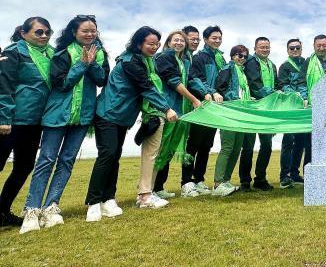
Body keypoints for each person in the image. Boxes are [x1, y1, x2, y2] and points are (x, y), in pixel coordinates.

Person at [20, 16, 110, 233]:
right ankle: (32, 210)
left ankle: (51, 207)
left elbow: (102, 80)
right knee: (46, 160)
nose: (90, 34)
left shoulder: (100, 54)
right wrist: (82, 64)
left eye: (93, 31)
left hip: (83, 116)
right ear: (74, 32)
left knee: (67, 160)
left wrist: (91, 64)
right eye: (85, 31)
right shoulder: (62, 54)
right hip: (57, 115)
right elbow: (61, 84)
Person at [84, 26, 177, 222]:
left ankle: (108, 199)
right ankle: (93, 202)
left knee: (114, 156)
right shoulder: (130, 62)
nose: (155, 47)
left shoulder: (145, 61)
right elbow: (146, 87)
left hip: (122, 117)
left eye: (157, 44)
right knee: (107, 155)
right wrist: (166, 108)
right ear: (139, 43)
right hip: (108, 114)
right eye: (151, 44)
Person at [0, 17, 54, 227]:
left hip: (34, 121)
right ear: (24, 33)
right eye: (39, 32)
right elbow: (4, 85)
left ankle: (3, 211)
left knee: (24, 167)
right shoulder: (14, 52)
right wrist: (4, 118)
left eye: (47, 32)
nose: (44, 36)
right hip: (11, 120)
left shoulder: (50, 54)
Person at [152, 31, 202, 200]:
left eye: (182, 41)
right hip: (166, 107)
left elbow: (191, 80)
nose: (179, 43)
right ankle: (150, 188)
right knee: (161, 147)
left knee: (170, 148)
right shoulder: (164, 57)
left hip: (180, 109)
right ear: (168, 42)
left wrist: (206, 93)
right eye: (176, 40)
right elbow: (174, 81)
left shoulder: (184, 61)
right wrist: (194, 99)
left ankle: (158, 187)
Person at [183, 25, 224, 197]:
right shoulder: (199, 58)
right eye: (214, 38)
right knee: (193, 144)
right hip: (201, 105)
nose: (217, 40)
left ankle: (199, 179)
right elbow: (195, 79)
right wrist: (209, 92)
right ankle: (186, 182)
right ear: (206, 40)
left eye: (219, 38)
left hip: (214, 108)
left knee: (207, 145)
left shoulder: (220, 59)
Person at [239, 37, 277, 191]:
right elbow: (254, 84)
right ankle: (245, 181)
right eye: (262, 47)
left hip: (267, 111)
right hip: (252, 109)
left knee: (267, 145)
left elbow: (277, 84)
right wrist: (273, 93)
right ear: (255, 48)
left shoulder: (272, 65)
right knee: (248, 146)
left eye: (267, 47)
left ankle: (260, 179)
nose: (265, 49)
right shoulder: (250, 62)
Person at [213, 45, 250, 195]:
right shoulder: (227, 69)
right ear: (233, 56)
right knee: (227, 147)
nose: (242, 59)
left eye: (245, 56)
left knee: (236, 147)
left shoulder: (242, 72)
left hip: (241, 114)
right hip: (229, 112)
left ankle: (226, 180)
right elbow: (220, 88)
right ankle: (217, 183)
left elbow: (242, 91)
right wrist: (235, 100)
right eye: (240, 55)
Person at [298, 34, 326, 165]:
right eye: (318, 45)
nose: (321, 48)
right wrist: (304, 97)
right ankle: (309, 173)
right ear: (314, 46)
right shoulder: (308, 62)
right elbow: (301, 81)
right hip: (313, 107)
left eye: (324, 45)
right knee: (311, 144)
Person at [277, 39, 308, 187]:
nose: (295, 50)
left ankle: (295, 174)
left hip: (304, 108)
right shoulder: (284, 66)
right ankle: (284, 175)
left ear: (301, 49)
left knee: (301, 142)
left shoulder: (307, 63)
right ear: (287, 50)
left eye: (297, 47)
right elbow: (282, 85)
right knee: (288, 141)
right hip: (290, 107)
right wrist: (296, 95)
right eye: (292, 48)